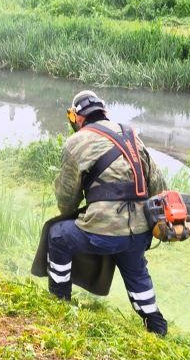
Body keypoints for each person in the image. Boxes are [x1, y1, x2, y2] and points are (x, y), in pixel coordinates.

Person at [48, 90, 169, 335]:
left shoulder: (76, 142)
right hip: (140, 232)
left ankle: (59, 299)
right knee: (136, 270)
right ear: (104, 112)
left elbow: (67, 200)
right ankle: (156, 325)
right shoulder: (132, 135)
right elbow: (159, 187)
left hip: (103, 233)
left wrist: (78, 213)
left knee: (57, 234)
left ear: (77, 117)